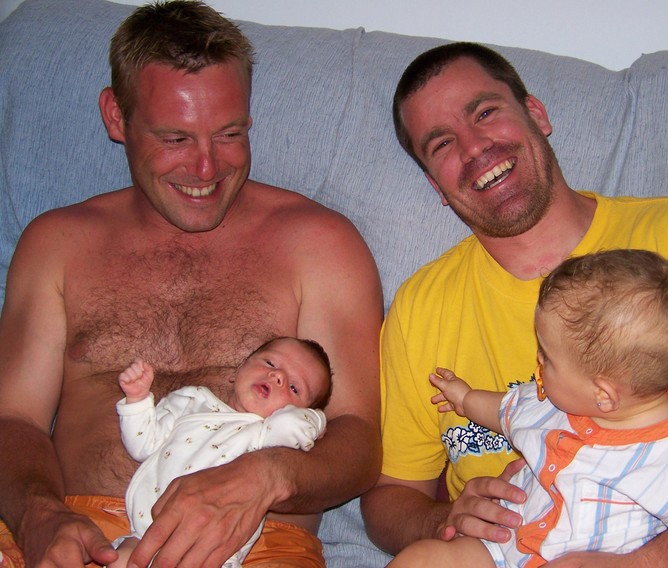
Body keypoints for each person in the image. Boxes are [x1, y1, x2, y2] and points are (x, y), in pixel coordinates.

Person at [0, 1, 383, 567]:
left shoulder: (320, 245)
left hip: (256, 542)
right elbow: (13, 420)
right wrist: (39, 516)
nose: (207, 169)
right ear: (116, 117)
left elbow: (360, 440)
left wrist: (266, 478)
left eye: (229, 133)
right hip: (78, 535)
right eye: (175, 138)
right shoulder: (57, 244)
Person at [361, 41, 668, 566]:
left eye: (485, 113)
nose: (474, 147)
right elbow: (389, 500)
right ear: (436, 184)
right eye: (443, 143)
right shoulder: (420, 306)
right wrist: (446, 519)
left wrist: (640, 564)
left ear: (536, 114)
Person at [387, 249, 668, 568]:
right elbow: (506, 409)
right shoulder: (557, 403)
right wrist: (465, 399)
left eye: (547, 357)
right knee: (423, 559)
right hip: (505, 551)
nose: (538, 361)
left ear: (603, 394)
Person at [111, 336, 333, 568]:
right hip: (147, 532)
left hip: (211, 552)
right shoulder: (192, 400)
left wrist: (317, 419)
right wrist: (137, 400)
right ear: (238, 369)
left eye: (294, 387)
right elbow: (143, 445)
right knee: (121, 560)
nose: (278, 376)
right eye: (270, 363)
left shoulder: (268, 436)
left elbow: (293, 427)